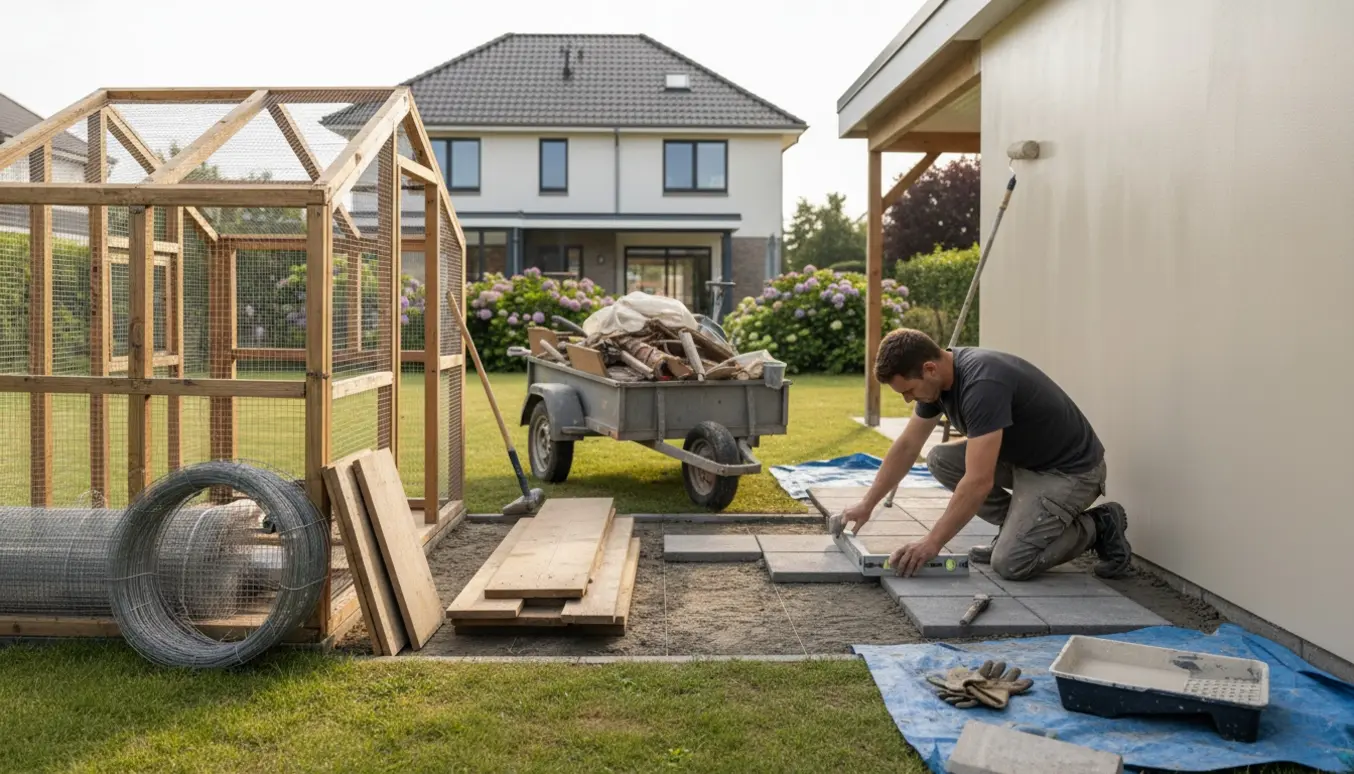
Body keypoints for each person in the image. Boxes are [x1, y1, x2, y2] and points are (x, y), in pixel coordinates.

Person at [840, 328, 1132, 581]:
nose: (907, 399)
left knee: (1011, 563)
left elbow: (978, 482)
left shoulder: (982, 385)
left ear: (929, 369)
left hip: (1069, 472)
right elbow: (907, 446)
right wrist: (867, 504)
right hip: (1026, 461)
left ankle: (1099, 524)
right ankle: (1017, 530)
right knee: (940, 459)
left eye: (909, 390)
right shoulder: (939, 382)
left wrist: (932, 542)